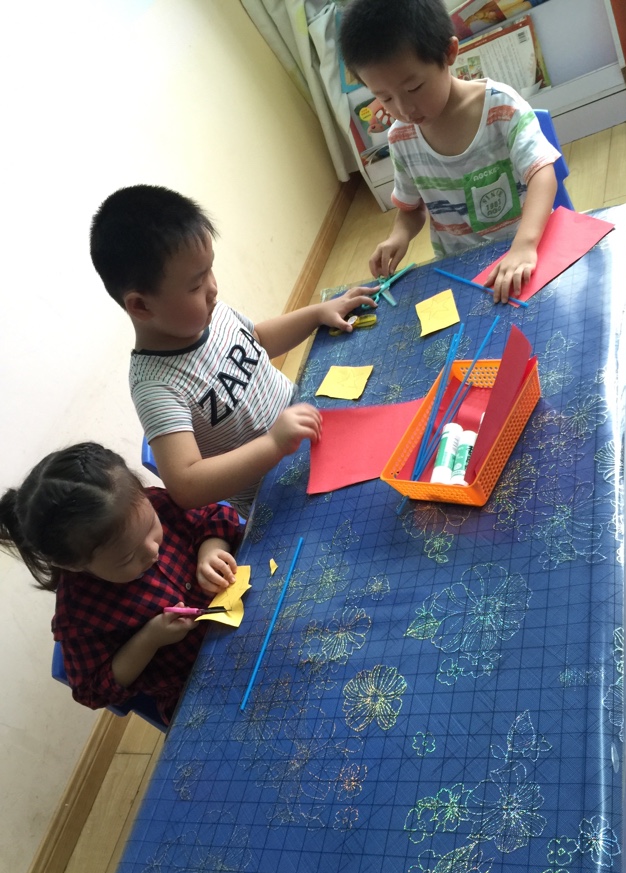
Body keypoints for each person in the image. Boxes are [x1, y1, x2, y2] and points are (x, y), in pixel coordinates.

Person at [90, 185, 378, 517]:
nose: (213, 288)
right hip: (274, 495)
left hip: (308, 430)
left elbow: (258, 338)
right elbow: (187, 484)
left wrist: (316, 314)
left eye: (209, 270)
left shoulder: (210, 313)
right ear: (141, 306)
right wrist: (273, 444)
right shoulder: (155, 386)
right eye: (196, 285)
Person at [0, 442, 243, 726]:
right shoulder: (80, 617)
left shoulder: (154, 503)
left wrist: (210, 551)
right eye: (128, 557)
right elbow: (92, 690)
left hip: (246, 618)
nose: (153, 551)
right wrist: (150, 639)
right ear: (75, 564)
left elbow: (214, 513)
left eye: (152, 527)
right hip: (198, 683)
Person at [339, 0, 560, 304]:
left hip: (525, 251)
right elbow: (411, 208)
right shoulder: (401, 137)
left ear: (449, 53)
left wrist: (525, 244)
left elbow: (542, 174)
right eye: (385, 98)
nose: (404, 109)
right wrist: (398, 236)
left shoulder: (501, 108)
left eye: (414, 88)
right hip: (462, 269)